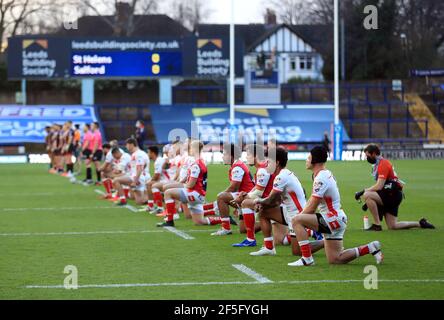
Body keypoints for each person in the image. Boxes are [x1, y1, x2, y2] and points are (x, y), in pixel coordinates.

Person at [288, 146, 383, 267]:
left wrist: (299, 218)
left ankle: (307, 259)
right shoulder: (323, 174)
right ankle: (370, 247)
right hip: (336, 218)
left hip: (332, 218)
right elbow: (312, 201)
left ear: (314, 160)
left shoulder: (321, 177)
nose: (306, 160)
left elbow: (312, 207)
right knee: (336, 259)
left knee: (296, 220)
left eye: (308, 157)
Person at [250, 147, 324, 257]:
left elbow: (270, 199)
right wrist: (262, 204)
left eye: (269, 161)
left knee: (297, 252)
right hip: (289, 212)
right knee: (263, 212)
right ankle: (269, 248)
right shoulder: (284, 174)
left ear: (277, 162)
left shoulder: (281, 177)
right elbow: (275, 201)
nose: (266, 164)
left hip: (298, 215)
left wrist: (257, 201)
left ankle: (326, 241)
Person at [355, 144, 435, 231]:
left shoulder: (383, 164)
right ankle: (420, 223)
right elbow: (381, 187)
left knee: (367, 195)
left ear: (374, 153)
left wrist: (363, 191)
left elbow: (379, 186)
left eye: (368, 155)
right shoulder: (378, 164)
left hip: (392, 195)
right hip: (390, 193)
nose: (367, 158)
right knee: (393, 226)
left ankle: (377, 225)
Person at [156, 140, 223, 228]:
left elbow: (191, 185)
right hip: (199, 195)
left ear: (193, 149)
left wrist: (181, 188)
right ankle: (225, 219)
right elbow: (190, 177)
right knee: (199, 221)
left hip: (194, 193)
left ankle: (169, 221)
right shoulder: (200, 162)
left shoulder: (196, 164)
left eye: (190, 148)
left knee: (168, 193)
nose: (189, 150)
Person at [230, 144, 271, 247]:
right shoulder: (263, 166)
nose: (246, 157)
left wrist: (243, 197)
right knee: (281, 240)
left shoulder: (262, 169)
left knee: (245, 203)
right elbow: (257, 188)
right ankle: (310, 231)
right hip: (273, 201)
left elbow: (258, 193)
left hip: (275, 203)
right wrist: (246, 194)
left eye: (248, 155)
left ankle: (250, 239)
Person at [210, 144, 255, 236]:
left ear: (231, 155)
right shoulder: (237, 165)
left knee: (221, 197)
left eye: (224, 154)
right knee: (243, 230)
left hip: (247, 197)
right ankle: (267, 224)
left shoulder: (237, 167)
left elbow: (234, 187)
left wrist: (220, 198)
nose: (222, 157)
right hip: (245, 196)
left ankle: (226, 228)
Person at [113, 138, 149, 206]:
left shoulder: (138, 154)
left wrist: (135, 180)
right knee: (138, 201)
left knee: (116, 180)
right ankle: (150, 196)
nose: (126, 147)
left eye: (127, 145)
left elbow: (140, 168)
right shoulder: (135, 154)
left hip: (139, 178)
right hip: (137, 177)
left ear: (131, 145)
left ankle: (123, 200)